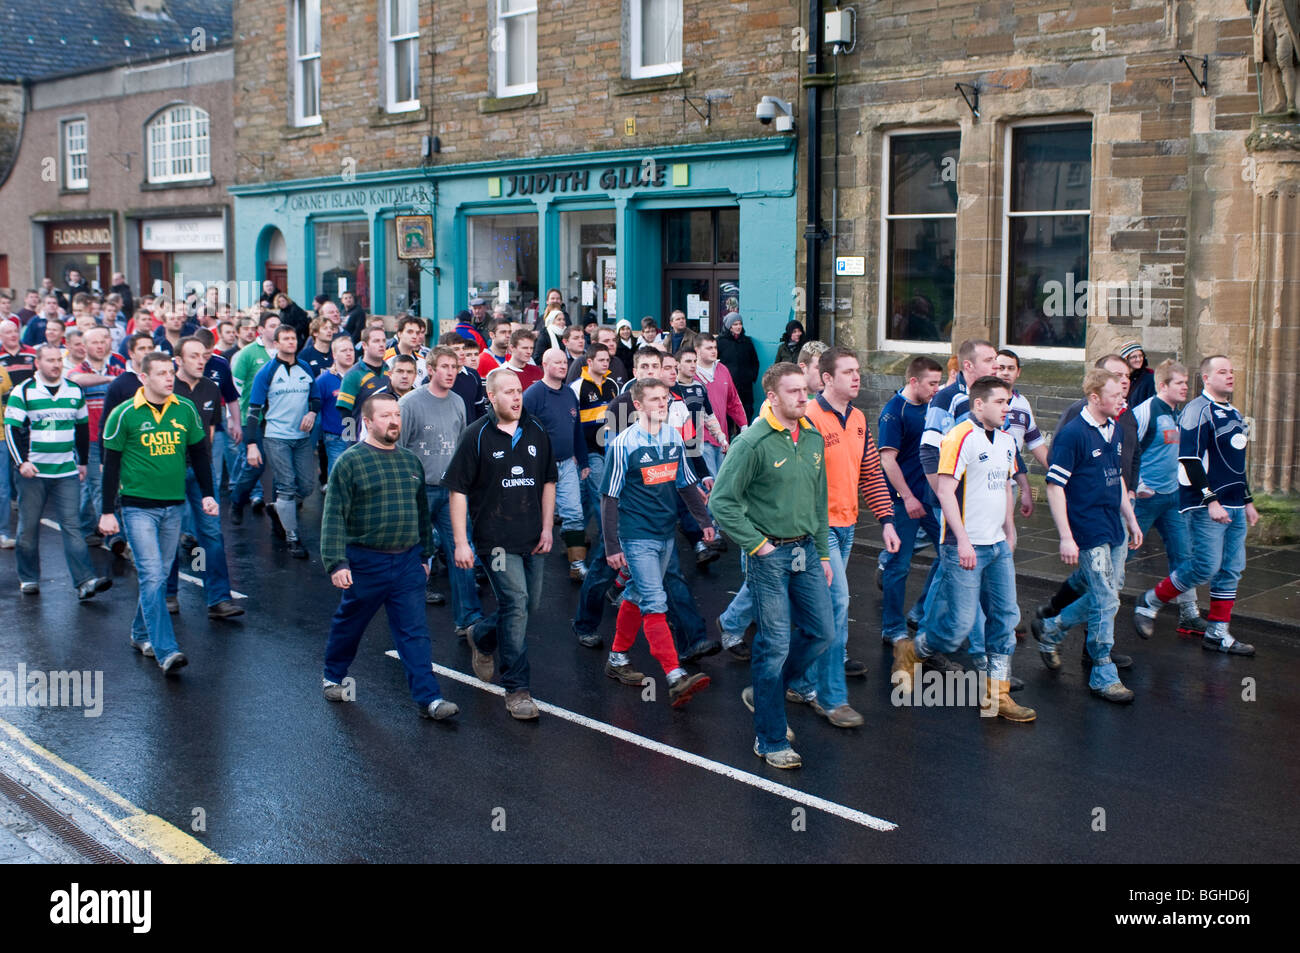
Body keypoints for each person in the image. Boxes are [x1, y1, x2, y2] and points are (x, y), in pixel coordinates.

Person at [710, 363, 836, 769]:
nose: (805, 398)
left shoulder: (813, 438)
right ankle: (771, 739)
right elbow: (721, 502)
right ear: (772, 397)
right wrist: (757, 545)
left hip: (806, 552)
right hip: (769, 555)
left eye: (806, 390)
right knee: (775, 644)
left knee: (821, 632)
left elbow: (818, 500)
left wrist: (821, 552)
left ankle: (766, 692)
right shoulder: (752, 443)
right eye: (795, 392)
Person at [891, 376, 1036, 722]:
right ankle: (913, 651)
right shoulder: (960, 437)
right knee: (958, 627)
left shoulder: (1005, 441)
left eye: (1008, 401)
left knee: (1005, 619)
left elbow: (1004, 486)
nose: (1007, 408)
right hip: (963, 547)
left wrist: (1010, 529)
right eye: (1000, 402)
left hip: (998, 545)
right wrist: (963, 539)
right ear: (979, 404)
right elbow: (944, 492)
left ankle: (997, 695)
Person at [320, 392, 460, 721]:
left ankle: (430, 700)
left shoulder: (410, 461)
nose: (394, 420)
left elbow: (421, 511)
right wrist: (336, 562)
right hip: (365, 562)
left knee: (414, 632)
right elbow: (334, 516)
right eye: (385, 416)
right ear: (367, 422)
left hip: (408, 561)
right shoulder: (350, 462)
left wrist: (426, 554)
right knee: (351, 624)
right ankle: (333, 676)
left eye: (396, 414)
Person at [782, 347, 900, 726]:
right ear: (826, 378)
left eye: (858, 371)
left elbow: (870, 473)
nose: (856, 377)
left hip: (847, 527)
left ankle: (796, 680)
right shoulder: (808, 417)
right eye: (847, 371)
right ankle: (832, 698)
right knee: (837, 606)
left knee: (815, 612)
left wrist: (886, 520)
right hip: (817, 531)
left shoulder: (860, 418)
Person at [444, 367, 556, 721]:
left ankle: (482, 635)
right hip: (494, 540)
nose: (516, 397)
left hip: (532, 535)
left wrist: (548, 528)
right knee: (517, 602)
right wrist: (461, 542)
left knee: (527, 606)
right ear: (491, 397)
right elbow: (458, 490)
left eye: (519, 390)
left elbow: (549, 482)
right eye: (508, 392)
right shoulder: (475, 435)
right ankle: (517, 689)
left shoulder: (536, 429)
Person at [1132, 355, 1259, 655]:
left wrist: (1248, 500)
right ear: (1207, 378)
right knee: (1205, 565)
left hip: (1235, 504)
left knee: (1231, 568)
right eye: (1223, 372)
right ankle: (1151, 600)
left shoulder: (1235, 413)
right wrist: (1210, 499)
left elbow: (1236, 465)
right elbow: (1188, 459)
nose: (1230, 376)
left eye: (1232, 371)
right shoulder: (1197, 410)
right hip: (1206, 505)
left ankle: (1217, 632)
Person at [98, 351, 216, 674]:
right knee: (151, 575)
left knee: (160, 576)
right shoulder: (124, 415)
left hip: (174, 505)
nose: (169, 379)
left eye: (171, 373)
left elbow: (200, 454)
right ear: (143, 378)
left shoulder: (186, 409)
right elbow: (111, 467)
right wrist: (108, 512)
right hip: (137, 509)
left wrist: (208, 494)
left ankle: (139, 633)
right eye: (162, 373)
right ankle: (167, 650)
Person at [600, 377, 714, 706]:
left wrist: (704, 522)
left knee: (636, 593)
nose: (663, 404)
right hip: (636, 536)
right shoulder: (624, 445)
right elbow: (609, 498)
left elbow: (686, 483)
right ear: (638, 406)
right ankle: (674, 675)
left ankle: (618, 658)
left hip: (666, 534)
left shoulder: (672, 436)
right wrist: (612, 547)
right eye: (654, 400)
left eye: (665, 398)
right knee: (654, 600)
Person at [1033, 367, 1144, 703]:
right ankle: (1102, 672)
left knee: (1108, 592)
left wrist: (1132, 521)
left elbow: (1119, 480)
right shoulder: (1073, 434)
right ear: (1095, 398)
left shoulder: (1115, 428)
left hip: (1116, 526)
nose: (1122, 400)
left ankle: (1051, 630)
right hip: (1088, 528)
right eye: (1115, 395)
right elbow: (1054, 487)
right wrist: (1066, 536)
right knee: (1107, 599)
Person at [912, 338, 999, 677]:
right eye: (989, 360)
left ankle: (922, 637)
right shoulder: (947, 399)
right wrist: (943, 497)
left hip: (982, 504)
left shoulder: (991, 399)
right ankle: (982, 659)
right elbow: (929, 450)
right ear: (968, 366)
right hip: (954, 504)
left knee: (951, 573)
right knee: (966, 572)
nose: (995, 365)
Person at [4, 345, 111, 599]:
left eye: (57, 360)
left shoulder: (74, 390)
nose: (55, 364)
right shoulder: (25, 391)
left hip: (66, 471)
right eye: (49, 360)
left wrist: (83, 461)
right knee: (28, 529)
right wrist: (22, 463)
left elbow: (83, 428)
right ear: (37, 363)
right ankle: (28, 577)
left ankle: (85, 581)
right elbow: (11, 429)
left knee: (72, 526)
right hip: (33, 472)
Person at [399, 346, 485, 626]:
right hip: (419, 490)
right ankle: (406, 614)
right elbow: (398, 449)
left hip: (451, 493)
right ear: (431, 369)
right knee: (414, 553)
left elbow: (462, 446)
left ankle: (469, 619)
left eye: (455, 367)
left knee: (463, 550)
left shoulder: (459, 401)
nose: (451, 372)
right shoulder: (410, 403)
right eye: (445, 367)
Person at [167, 337, 243, 620]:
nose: (202, 361)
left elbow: (211, 428)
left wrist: (206, 463)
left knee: (211, 533)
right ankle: (168, 594)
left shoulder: (212, 387)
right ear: (178, 360)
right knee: (170, 534)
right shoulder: (167, 387)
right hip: (169, 469)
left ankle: (219, 599)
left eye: (204, 356)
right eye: (194, 356)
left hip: (202, 470)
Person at [1127, 360, 1205, 637]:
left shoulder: (1178, 414)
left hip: (1172, 499)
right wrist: (1138, 485)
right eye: (1179, 383)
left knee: (1184, 556)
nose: (1186, 387)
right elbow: (1126, 451)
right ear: (1163, 385)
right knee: (1122, 555)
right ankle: (1086, 608)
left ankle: (1189, 615)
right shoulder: (1145, 411)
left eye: (1186, 382)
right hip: (1145, 501)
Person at [877, 355, 945, 645]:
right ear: (913, 380)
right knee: (899, 565)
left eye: (939, 383)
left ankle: (919, 611)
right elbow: (887, 460)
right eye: (932, 383)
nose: (936, 389)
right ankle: (892, 628)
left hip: (931, 498)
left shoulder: (932, 406)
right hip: (903, 501)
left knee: (949, 557)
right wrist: (907, 497)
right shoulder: (895, 412)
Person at [242, 324, 321, 558]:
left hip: (302, 437)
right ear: (276, 343)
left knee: (307, 486)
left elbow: (316, 398)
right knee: (286, 485)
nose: (291, 342)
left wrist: (312, 413)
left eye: (293, 338)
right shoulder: (266, 372)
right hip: (276, 436)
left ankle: (278, 508)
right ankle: (293, 538)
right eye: (285, 339)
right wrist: (251, 443)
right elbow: (254, 409)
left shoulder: (305, 367)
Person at [523, 348, 589, 581]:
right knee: (535, 516)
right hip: (539, 467)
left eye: (565, 362)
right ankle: (528, 564)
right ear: (545, 364)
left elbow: (576, 429)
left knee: (574, 513)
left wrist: (583, 460)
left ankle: (577, 564)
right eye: (557, 362)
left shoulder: (570, 394)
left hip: (567, 465)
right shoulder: (533, 394)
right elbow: (520, 431)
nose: (563, 366)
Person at [68, 327, 122, 542]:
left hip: (113, 438)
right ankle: (115, 538)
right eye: (94, 342)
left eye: (103, 341)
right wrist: (109, 380)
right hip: (89, 439)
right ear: (85, 346)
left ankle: (83, 526)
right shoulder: (77, 370)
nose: (99, 346)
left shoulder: (117, 369)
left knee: (93, 486)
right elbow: (77, 380)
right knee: (100, 485)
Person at [228, 313, 282, 522]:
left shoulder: (285, 353)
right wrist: (232, 420)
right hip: (252, 418)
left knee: (280, 467)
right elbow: (234, 389)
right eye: (272, 325)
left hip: (277, 419)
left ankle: (279, 513)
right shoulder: (248, 354)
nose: (277, 329)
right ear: (261, 330)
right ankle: (237, 501)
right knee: (255, 465)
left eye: (279, 325)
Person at [994, 348, 1049, 517]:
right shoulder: (981, 399)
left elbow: (1035, 442)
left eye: (1011, 368)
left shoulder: (1022, 404)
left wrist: (1056, 470)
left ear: (1018, 372)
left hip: (1011, 481)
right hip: (986, 481)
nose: (1005, 372)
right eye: (1001, 367)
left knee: (1007, 535)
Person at [570, 342, 618, 528]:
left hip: (609, 448)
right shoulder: (577, 387)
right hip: (588, 450)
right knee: (601, 495)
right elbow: (571, 422)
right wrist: (576, 452)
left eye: (608, 360)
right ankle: (608, 543)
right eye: (601, 360)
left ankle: (574, 535)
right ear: (589, 361)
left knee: (586, 499)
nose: (606, 363)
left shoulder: (612, 384)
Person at [0, 319, 37, 548]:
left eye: (15, 330)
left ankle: (12, 531)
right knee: (3, 486)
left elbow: (7, 398)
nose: (12, 335)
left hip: (14, 428)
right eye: (7, 332)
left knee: (15, 482)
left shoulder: (4, 369)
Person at [693, 332, 745, 476]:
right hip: (701, 438)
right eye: (709, 348)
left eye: (715, 347)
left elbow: (733, 400)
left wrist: (743, 424)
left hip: (722, 438)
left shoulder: (722, 369)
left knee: (721, 483)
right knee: (710, 484)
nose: (714, 351)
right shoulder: (691, 374)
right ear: (697, 350)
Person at [335, 326, 392, 437]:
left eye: (383, 341)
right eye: (376, 341)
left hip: (387, 439)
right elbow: (345, 414)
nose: (381, 345)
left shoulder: (390, 371)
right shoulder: (353, 375)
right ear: (364, 345)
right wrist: (351, 441)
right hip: (362, 441)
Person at [317, 335, 356, 475]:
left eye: (351, 350)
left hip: (358, 435)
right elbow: (315, 409)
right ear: (334, 354)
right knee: (338, 475)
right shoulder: (324, 380)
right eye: (343, 350)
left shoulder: (362, 376)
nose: (348, 353)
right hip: (335, 436)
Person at [717, 311, 759, 423]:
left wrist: (751, 376)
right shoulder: (720, 342)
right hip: (728, 386)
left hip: (745, 386)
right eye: (735, 324)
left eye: (740, 324)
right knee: (728, 416)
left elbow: (755, 361)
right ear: (729, 326)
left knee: (747, 413)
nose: (738, 327)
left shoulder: (747, 342)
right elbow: (715, 363)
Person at [440, 331, 488, 423]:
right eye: (456, 349)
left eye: (463, 348)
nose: (462, 353)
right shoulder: (434, 378)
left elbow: (480, 411)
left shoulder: (473, 375)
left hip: (469, 434)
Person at [1121, 341, 1156, 408]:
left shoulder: (1150, 378)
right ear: (1126, 359)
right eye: (1134, 357)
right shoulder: (1122, 379)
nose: (1138, 359)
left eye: (1140, 356)